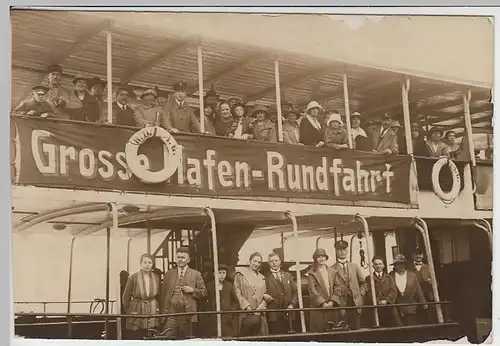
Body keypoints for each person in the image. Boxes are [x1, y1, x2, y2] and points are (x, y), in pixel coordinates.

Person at [160, 247, 207, 339]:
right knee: (167, 337)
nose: (180, 259)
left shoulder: (196, 274)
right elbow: (163, 294)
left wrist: (193, 290)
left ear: (188, 260)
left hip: (187, 313)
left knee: (186, 339)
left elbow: (204, 292)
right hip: (171, 312)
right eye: (178, 257)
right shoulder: (169, 274)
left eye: (183, 257)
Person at [122, 254, 161, 340]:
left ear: (152, 264)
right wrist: (130, 310)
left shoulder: (156, 277)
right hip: (137, 307)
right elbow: (126, 297)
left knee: (151, 331)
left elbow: (158, 295)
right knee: (137, 332)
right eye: (145, 262)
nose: (147, 265)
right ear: (140, 263)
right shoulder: (133, 277)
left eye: (150, 263)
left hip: (152, 307)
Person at [331, 240, 367, 330]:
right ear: (336, 251)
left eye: (344, 249)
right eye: (339, 250)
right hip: (341, 304)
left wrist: (360, 294)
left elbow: (363, 283)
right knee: (342, 328)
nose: (342, 252)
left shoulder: (354, 266)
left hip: (355, 303)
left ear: (347, 251)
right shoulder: (332, 269)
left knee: (356, 329)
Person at [233, 252, 271, 336]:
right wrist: (247, 306)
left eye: (259, 262)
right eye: (255, 261)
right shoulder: (240, 275)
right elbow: (237, 292)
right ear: (250, 261)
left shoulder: (262, 278)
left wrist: (260, 307)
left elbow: (265, 293)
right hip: (245, 313)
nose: (256, 264)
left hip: (259, 313)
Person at [264, 252, 298, 335]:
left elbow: (295, 292)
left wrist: (292, 304)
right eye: (271, 261)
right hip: (274, 314)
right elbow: (261, 292)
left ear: (280, 262)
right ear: (268, 263)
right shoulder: (264, 277)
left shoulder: (288, 275)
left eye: (276, 260)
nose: (274, 263)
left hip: (288, 312)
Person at [389, 254, 427, 326]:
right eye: (398, 264)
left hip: (411, 306)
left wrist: (423, 302)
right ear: (395, 266)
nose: (401, 266)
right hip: (397, 307)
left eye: (402, 264)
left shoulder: (412, 275)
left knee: (411, 326)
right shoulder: (391, 276)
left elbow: (418, 289)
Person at [364, 256, 401, 327]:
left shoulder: (389, 278)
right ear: (373, 266)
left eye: (380, 264)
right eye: (376, 264)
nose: (378, 266)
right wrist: (377, 301)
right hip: (376, 309)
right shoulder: (368, 279)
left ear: (383, 265)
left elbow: (393, 291)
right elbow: (369, 292)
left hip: (389, 309)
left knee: (393, 329)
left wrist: (387, 301)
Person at [307, 248, 338, 332]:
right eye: (318, 257)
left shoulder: (333, 271)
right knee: (319, 328)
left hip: (332, 304)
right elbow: (312, 289)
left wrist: (332, 301)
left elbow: (337, 286)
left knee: (332, 327)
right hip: (318, 307)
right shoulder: (312, 273)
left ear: (326, 258)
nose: (321, 259)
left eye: (323, 257)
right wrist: (322, 302)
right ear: (315, 259)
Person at [205, 264, 238, 337]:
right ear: (214, 274)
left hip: (227, 319)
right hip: (213, 319)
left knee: (228, 338)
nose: (222, 275)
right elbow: (205, 301)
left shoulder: (229, 285)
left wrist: (230, 312)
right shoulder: (209, 286)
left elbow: (235, 302)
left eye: (224, 273)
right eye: (219, 273)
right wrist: (209, 313)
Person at [409, 248, 435, 324]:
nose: (418, 256)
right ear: (412, 256)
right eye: (416, 254)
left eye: (420, 254)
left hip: (427, 295)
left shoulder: (429, 267)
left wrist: (431, 281)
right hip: (414, 296)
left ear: (423, 255)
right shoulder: (408, 268)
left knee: (428, 316)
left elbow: (435, 283)